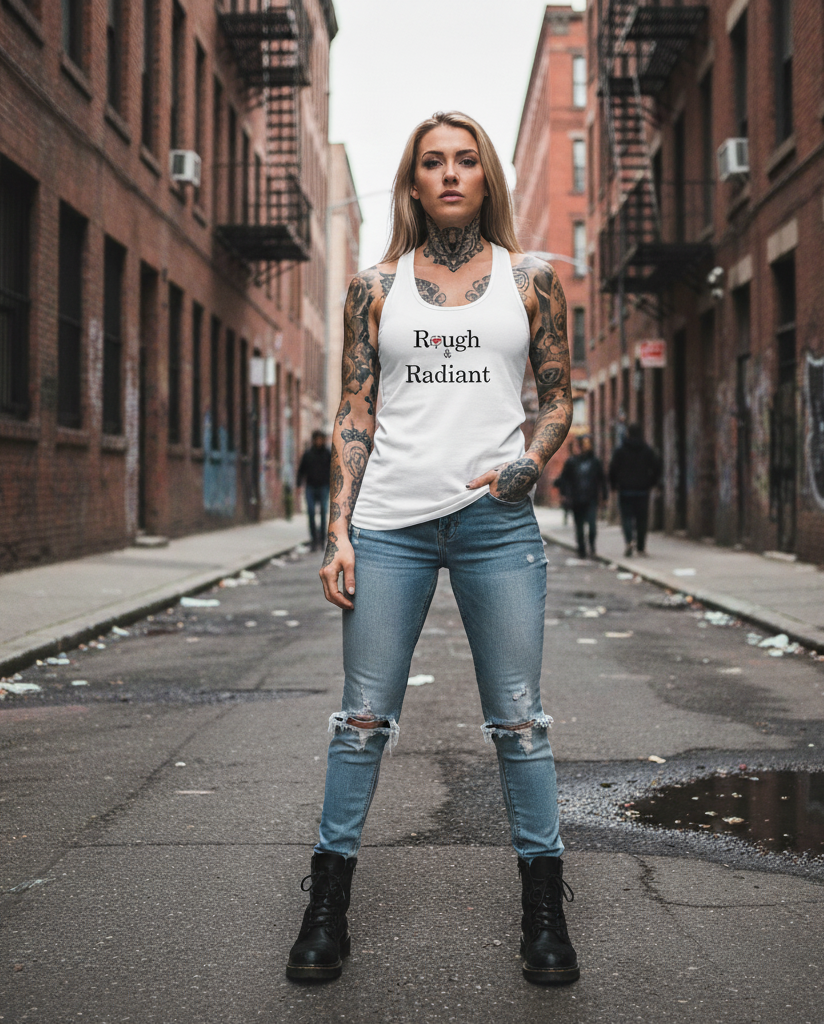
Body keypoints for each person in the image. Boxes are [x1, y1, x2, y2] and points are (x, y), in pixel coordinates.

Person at [286, 111, 579, 987]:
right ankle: (326, 906)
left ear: (486, 177)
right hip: (392, 526)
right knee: (363, 720)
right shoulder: (374, 288)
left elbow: (559, 397)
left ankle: (544, 909)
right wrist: (338, 530)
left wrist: (530, 464)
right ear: (412, 183)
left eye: (464, 161)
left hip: (497, 524)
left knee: (520, 724)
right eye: (431, 163)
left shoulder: (532, 281)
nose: (449, 174)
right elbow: (354, 412)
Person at [608, 422, 662, 557]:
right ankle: (641, 547)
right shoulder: (647, 450)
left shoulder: (620, 450)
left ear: (628, 434)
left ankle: (629, 540)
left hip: (625, 490)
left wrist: (614, 485)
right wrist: (653, 482)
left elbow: (612, 469)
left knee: (626, 517)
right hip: (642, 490)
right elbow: (656, 467)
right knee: (642, 519)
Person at [558, 435, 608, 558]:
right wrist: (564, 494)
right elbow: (564, 479)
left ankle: (592, 547)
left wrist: (605, 496)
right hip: (576, 499)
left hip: (591, 498)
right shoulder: (571, 462)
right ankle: (581, 549)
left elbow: (602, 479)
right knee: (579, 526)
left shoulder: (595, 462)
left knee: (592, 525)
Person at [297, 430, 332, 551]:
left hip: (323, 487)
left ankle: (322, 540)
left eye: (320, 439)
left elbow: (333, 470)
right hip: (310, 487)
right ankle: (314, 539)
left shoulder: (328, 454)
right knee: (311, 512)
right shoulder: (308, 454)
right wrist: (298, 485)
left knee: (323, 512)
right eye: (316, 439)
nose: (318, 441)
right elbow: (301, 470)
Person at [552, 439, 579, 524]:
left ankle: (569, 517)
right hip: (570, 490)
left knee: (570, 506)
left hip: (576, 490)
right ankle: (570, 518)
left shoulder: (579, 460)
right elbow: (564, 477)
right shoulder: (570, 462)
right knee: (569, 505)